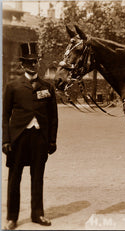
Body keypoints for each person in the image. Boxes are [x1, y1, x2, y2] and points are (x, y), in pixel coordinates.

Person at [2, 42, 58, 230]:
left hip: (39, 138)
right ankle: (12, 217)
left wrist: (52, 140)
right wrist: (5, 140)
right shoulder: (13, 86)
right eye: (28, 62)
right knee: (14, 178)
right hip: (18, 138)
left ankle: (37, 214)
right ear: (22, 64)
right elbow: (4, 116)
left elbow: (53, 118)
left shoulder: (47, 87)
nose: (32, 65)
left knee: (37, 177)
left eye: (35, 62)